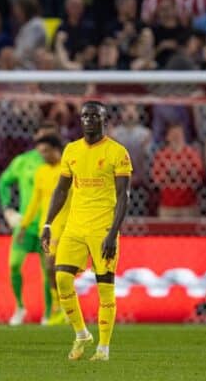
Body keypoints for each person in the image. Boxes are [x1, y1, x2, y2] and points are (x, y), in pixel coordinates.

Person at [41, 101, 132, 361]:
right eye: (85, 115)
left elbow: (123, 195)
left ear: (105, 119)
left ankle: (103, 348)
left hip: (102, 227)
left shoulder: (118, 152)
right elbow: (61, 189)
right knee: (61, 279)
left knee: (105, 288)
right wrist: (48, 223)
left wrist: (113, 232)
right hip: (74, 226)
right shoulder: (71, 150)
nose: (89, 119)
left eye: (95, 115)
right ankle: (81, 333)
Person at [0, 121, 58, 326]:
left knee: (47, 271)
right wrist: (7, 209)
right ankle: (20, 307)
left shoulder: (63, 163)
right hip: (27, 223)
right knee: (14, 265)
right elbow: (3, 182)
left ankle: (49, 313)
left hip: (50, 226)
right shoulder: (23, 161)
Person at [18, 134, 70, 326]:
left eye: (46, 151)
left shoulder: (68, 169)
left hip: (66, 226)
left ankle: (62, 307)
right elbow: (35, 201)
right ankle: (60, 307)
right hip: (47, 227)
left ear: (57, 149)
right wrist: (24, 226)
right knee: (51, 268)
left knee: (56, 267)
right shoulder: (41, 172)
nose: (43, 155)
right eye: (40, 152)